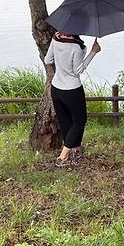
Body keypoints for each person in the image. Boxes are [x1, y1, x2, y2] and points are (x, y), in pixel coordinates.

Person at [44, 32, 101, 167]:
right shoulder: (76, 47)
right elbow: (78, 70)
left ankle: (75, 151)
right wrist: (93, 52)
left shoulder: (55, 38)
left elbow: (48, 60)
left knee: (65, 121)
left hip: (56, 88)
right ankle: (63, 156)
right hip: (72, 90)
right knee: (80, 120)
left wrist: (60, 61)